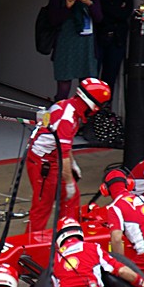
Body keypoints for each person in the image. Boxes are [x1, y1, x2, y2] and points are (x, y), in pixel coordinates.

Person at [27, 77, 112, 233]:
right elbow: (63, 154)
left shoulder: (70, 109)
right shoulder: (68, 117)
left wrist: (72, 165)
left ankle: (67, 235)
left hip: (50, 160)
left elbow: (63, 148)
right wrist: (69, 182)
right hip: (44, 164)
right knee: (42, 208)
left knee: (71, 200)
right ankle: (31, 247)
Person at [47, 0, 103, 101]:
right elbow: (53, 20)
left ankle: (85, 119)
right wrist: (66, 8)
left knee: (87, 87)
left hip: (86, 44)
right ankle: (58, 116)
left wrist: (90, 4)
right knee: (64, 86)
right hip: (66, 43)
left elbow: (99, 18)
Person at [90, 0, 133, 93]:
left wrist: (105, 10)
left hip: (116, 39)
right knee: (92, 78)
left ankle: (105, 111)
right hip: (97, 38)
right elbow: (96, 15)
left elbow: (125, 13)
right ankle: (90, 111)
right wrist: (114, 11)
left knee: (109, 79)